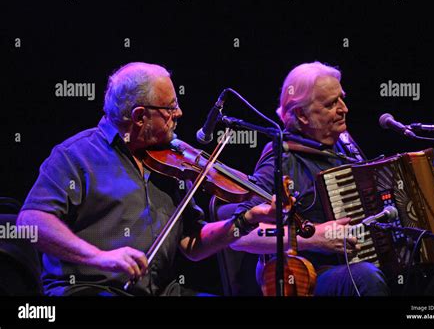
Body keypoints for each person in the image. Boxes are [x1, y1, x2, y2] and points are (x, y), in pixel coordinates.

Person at [17, 62, 276, 296]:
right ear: (140, 116)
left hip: (162, 291)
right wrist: (100, 257)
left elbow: (192, 243)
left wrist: (246, 219)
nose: (180, 113)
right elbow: (31, 222)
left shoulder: (175, 162)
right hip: (90, 289)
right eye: (170, 107)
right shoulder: (76, 155)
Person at [230, 61, 434, 296]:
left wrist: (433, 190)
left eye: (341, 98)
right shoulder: (281, 159)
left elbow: (385, 202)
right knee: (365, 278)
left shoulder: (345, 146)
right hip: (310, 276)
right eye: (331, 104)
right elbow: (240, 236)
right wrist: (313, 238)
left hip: (368, 267)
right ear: (302, 115)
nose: (344, 109)